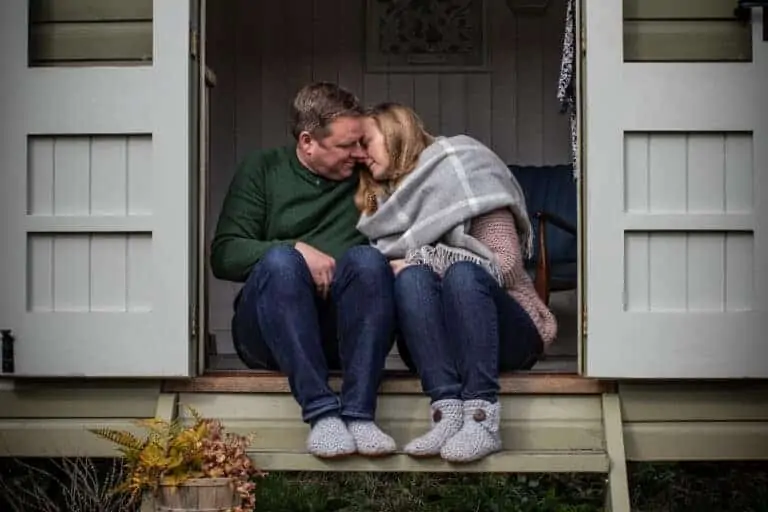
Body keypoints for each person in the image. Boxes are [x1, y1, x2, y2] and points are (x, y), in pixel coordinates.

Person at [355, 102, 557, 463]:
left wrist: (421, 258)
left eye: (366, 142)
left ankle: (481, 420)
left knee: (460, 274)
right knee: (413, 279)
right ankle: (446, 414)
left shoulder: (464, 169)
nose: (359, 155)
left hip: (504, 334)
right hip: (436, 347)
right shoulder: (383, 203)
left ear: (393, 134)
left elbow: (507, 265)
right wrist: (414, 266)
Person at [210, 83, 398, 459]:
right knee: (282, 262)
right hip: (267, 335)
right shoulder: (263, 170)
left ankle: (359, 415)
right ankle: (323, 415)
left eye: (361, 142)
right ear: (308, 142)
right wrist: (296, 249)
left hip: (339, 337)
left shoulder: (369, 178)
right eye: (347, 146)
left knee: (368, 261)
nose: (360, 154)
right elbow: (225, 254)